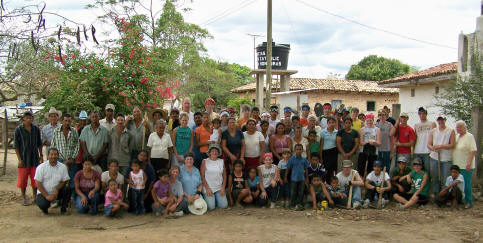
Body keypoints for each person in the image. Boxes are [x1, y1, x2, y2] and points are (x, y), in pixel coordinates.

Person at [14, 111, 43, 206]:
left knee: (35, 179)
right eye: (27, 118)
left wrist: (41, 155)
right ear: (23, 119)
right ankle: (24, 198)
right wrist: (19, 159)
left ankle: (35, 196)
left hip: (34, 158)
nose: (28, 119)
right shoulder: (18, 129)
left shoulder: (36, 129)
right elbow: (16, 146)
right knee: (22, 180)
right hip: (23, 159)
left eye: (30, 118)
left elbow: (39, 143)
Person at [35, 148, 71, 215]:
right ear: (48, 156)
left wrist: (57, 189)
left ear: (58, 156)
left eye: (55, 154)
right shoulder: (41, 167)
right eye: (51, 154)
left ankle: (64, 209)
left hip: (57, 192)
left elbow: (65, 180)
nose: (53, 156)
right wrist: (46, 196)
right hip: (44, 192)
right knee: (43, 204)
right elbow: (38, 183)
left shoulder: (63, 167)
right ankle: (45, 209)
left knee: (67, 189)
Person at [50, 113, 79, 193]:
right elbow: (53, 145)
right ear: (62, 121)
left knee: (72, 179)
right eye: (65, 121)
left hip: (71, 160)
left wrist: (73, 158)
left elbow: (77, 145)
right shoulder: (56, 131)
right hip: (59, 159)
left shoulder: (74, 131)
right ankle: (59, 199)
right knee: (59, 180)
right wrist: (55, 158)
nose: (67, 123)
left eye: (69, 121)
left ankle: (71, 198)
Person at [428, 114, 455, 196]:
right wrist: (433, 148)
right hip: (434, 157)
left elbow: (452, 145)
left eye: (442, 120)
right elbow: (429, 144)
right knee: (435, 177)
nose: (441, 121)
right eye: (439, 120)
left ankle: (444, 195)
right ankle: (436, 194)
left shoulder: (451, 131)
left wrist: (441, 146)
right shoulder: (433, 131)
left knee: (445, 178)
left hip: (446, 159)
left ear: (445, 120)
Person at [453, 120, 477, 209]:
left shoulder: (469, 136)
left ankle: (469, 201)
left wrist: (469, 162)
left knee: (466, 184)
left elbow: (473, 150)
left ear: (464, 127)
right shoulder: (457, 137)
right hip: (457, 165)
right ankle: (461, 200)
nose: (457, 128)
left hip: (465, 165)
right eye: (457, 127)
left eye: (459, 127)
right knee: (459, 185)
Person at [201, 144, 228, 210]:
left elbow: (224, 176)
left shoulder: (221, 161)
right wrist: (207, 188)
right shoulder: (205, 161)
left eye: (216, 151)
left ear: (218, 153)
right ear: (209, 152)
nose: (214, 152)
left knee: (224, 206)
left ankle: (216, 198)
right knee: (211, 207)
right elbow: (202, 176)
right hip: (209, 188)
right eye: (212, 151)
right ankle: (211, 198)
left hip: (219, 188)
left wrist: (223, 188)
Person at [285, 144, 310, 211]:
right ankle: (292, 204)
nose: (298, 151)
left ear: (302, 150)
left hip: (302, 179)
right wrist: (285, 177)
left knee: (301, 192)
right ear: (294, 150)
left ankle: (299, 205)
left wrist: (307, 178)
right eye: (297, 149)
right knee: (293, 192)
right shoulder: (291, 159)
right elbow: (288, 168)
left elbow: (306, 169)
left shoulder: (304, 160)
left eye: (300, 149)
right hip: (294, 179)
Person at [357, 113, 381, 178]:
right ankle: (361, 182)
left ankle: (369, 182)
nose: (369, 122)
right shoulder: (362, 129)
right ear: (365, 121)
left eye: (370, 120)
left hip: (373, 151)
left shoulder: (377, 129)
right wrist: (368, 141)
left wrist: (374, 142)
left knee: (370, 169)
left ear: (373, 120)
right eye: (367, 120)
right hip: (363, 151)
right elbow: (361, 142)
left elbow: (379, 143)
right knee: (361, 168)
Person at [413, 107, 436, 172]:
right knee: (417, 170)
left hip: (427, 151)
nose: (422, 115)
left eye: (423, 113)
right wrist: (413, 150)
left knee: (427, 170)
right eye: (420, 114)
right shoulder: (416, 125)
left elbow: (435, 137)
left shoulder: (432, 124)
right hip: (417, 151)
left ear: (426, 114)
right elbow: (415, 138)